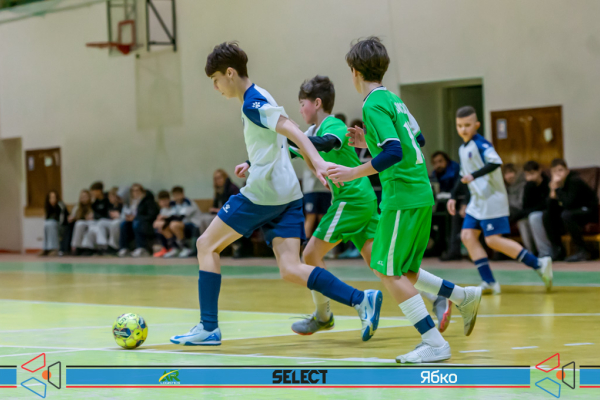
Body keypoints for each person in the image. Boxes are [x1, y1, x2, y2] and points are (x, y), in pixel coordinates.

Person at [171, 42, 383, 347]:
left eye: (216, 80)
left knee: (205, 245)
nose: (216, 87)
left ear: (230, 73)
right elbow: (281, 138)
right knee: (291, 268)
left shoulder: (252, 102)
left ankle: (208, 328)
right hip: (288, 194)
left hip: (264, 193)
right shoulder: (260, 95)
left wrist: (318, 162)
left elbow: (292, 130)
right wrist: (252, 161)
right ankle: (361, 299)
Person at [328, 37, 482, 363]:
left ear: (355, 71)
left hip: (402, 195)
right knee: (405, 270)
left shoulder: (372, 104)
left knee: (386, 270)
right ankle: (463, 296)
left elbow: (395, 151)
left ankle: (434, 342)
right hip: (420, 191)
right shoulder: (394, 100)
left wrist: (353, 172)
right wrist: (369, 141)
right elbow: (417, 139)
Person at [446, 106, 553, 295]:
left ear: (477, 125)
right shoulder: (463, 149)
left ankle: (538, 264)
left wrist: (474, 175)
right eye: (459, 125)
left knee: (493, 241)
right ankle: (489, 281)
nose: (463, 129)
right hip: (477, 202)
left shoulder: (482, 144)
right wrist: (453, 196)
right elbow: (463, 176)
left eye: (467, 125)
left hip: (492, 199)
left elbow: (495, 162)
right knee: (467, 236)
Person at [543, 158, 599, 262]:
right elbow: (550, 208)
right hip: (572, 211)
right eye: (555, 171)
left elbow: (569, 203)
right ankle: (558, 250)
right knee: (546, 215)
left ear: (567, 171)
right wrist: (552, 190)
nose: (558, 174)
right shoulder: (555, 184)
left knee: (566, 215)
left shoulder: (574, 181)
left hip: (588, 210)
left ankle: (583, 251)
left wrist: (557, 189)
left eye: (560, 170)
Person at [429, 151, 463, 260]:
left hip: (460, 202)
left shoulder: (456, 169)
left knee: (452, 219)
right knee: (433, 218)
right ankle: (438, 248)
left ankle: (453, 251)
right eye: (435, 163)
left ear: (447, 160)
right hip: (443, 203)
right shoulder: (435, 173)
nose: (438, 165)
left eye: (440, 161)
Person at [514, 161, 551, 256]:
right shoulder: (529, 185)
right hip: (532, 212)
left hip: (547, 212)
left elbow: (546, 204)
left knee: (533, 217)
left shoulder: (548, 182)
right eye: (527, 174)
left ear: (539, 171)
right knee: (522, 221)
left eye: (532, 173)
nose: (530, 177)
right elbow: (525, 206)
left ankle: (544, 252)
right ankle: (531, 253)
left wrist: (528, 211)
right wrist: (530, 186)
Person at [118, 183, 159, 257]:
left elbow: (152, 215)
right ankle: (124, 248)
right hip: (135, 223)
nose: (135, 192)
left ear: (142, 191)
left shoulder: (148, 201)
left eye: (137, 190)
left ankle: (141, 247)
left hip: (146, 224)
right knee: (124, 224)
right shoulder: (132, 202)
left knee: (136, 223)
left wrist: (136, 218)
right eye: (133, 191)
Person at [199, 169, 240, 234]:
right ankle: (205, 239)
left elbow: (235, 206)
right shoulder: (219, 190)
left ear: (224, 177)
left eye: (219, 178)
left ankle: (212, 238)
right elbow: (215, 206)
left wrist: (218, 210)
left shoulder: (232, 188)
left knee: (208, 220)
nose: (218, 181)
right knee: (202, 218)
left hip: (231, 215)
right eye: (216, 179)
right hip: (221, 214)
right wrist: (214, 210)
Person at [41, 190, 68, 256]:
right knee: (46, 224)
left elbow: (62, 218)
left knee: (50, 224)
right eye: (50, 198)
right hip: (51, 224)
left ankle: (54, 248)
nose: (52, 199)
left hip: (62, 225)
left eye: (54, 197)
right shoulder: (48, 207)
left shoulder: (60, 205)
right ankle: (46, 248)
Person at [153, 190, 174, 258]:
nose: (164, 203)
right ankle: (165, 248)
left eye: (166, 200)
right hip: (165, 226)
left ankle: (171, 247)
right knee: (157, 227)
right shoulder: (162, 210)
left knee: (162, 227)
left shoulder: (173, 208)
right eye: (162, 201)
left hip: (171, 226)